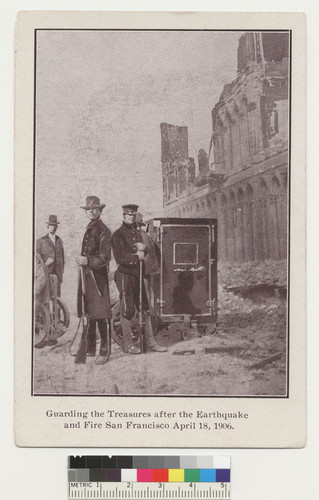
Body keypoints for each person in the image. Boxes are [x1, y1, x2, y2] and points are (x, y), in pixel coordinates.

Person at [112, 204, 167, 354]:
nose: (131, 217)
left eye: (133, 214)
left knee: (145, 308)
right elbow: (119, 258)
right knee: (127, 309)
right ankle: (129, 344)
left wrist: (143, 249)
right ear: (123, 216)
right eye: (128, 215)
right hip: (125, 276)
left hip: (138, 275)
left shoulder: (136, 233)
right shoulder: (118, 234)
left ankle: (151, 342)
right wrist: (137, 256)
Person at [75, 196, 112, 365]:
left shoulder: (103, 230)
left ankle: (104, 351)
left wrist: (87, 261)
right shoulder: (90, 228)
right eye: (88, 209)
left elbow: (105, 258)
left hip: (98, 280)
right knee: (89, 313)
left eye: (94, 209)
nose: (90, 211)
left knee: (101, 315)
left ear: (100, 211)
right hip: (87, 277)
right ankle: (90, 349)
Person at [36, 215, 64, 297]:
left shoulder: (59, 241)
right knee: (46, 298)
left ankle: (57, 310)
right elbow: (36, 260)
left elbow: (62, 259)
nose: (53, 227)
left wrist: (60, 275)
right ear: (48, 226)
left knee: (57, 298)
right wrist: (45, 264)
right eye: (51, 225)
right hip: (45, 275)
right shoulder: (40, 241)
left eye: (54, 225)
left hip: (57, 276)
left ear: (57, 227)